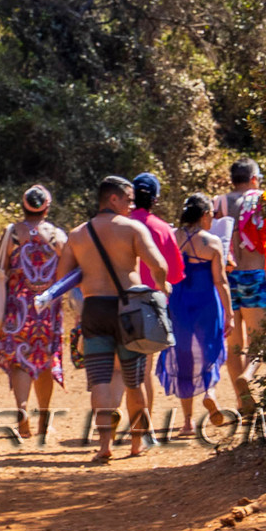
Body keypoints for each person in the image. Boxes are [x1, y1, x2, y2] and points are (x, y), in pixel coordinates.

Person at [62, 176, 172, 463]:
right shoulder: (133, 228)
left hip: (94, 310)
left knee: (98, 379)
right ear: (113, 199)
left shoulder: (77, 234)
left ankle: (104, 446)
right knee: (133, 381)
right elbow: (159, 265)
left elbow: (60, 278)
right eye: (128, 199)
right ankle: (137, 443)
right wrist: (162, 287)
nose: (131, 204)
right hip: (128, 311)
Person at [0, 184, 69, 442]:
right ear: (47, 208)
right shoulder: (57, 236)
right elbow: (69, 269)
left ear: (24, 206)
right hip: (47, 308)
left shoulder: (12, 233)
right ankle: (45, 421)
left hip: (18, 307)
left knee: (20, 360)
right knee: (45, 360)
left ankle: (23, 411)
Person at [211, 157, 266, 417]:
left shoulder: (218, 203)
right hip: (254, 276)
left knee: (234, 345)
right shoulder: (265, 201)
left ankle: (243, 402)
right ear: (254, 178)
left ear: (232, 179)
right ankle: (248, 375)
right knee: (258, 342)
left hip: (226, 279)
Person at [157, 194, 233, 438]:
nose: (212, 218)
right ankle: (210, 394)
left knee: (183, 356)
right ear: (203, 215)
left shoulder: (172, 238)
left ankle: (188, 422)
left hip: (178, 302)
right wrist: (229, 312)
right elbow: (220, 281)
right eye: (210, 213)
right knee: (209, 347)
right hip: (207, 303)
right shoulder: (211, 243)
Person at [129, 172, 185, 431]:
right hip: (151, 304)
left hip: (118, 299)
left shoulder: (119, 224)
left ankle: (116, 419)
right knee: (146, 369)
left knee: (122, 369)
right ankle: (145, 425)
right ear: (155, 199)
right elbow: (174, 274)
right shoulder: (163, 228)